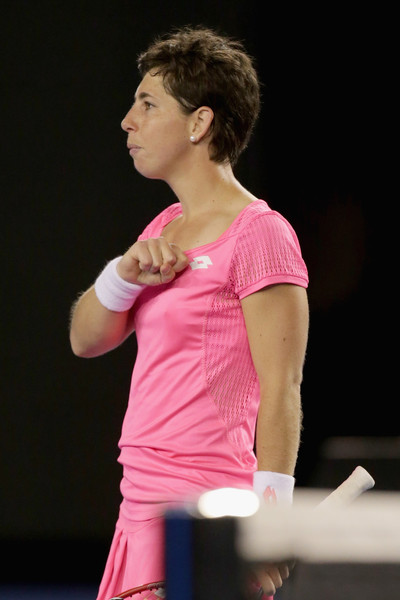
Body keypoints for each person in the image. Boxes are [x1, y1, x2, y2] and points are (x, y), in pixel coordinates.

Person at [69, 26, 309, 599]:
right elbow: (85, 340)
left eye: (147, 104)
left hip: (205, 518)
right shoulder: (161, 230)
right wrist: (121, 275)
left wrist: (270, 524)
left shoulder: (262, 235)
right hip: (138, 509)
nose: (128, 120)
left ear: (199, 123)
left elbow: (282, 389)